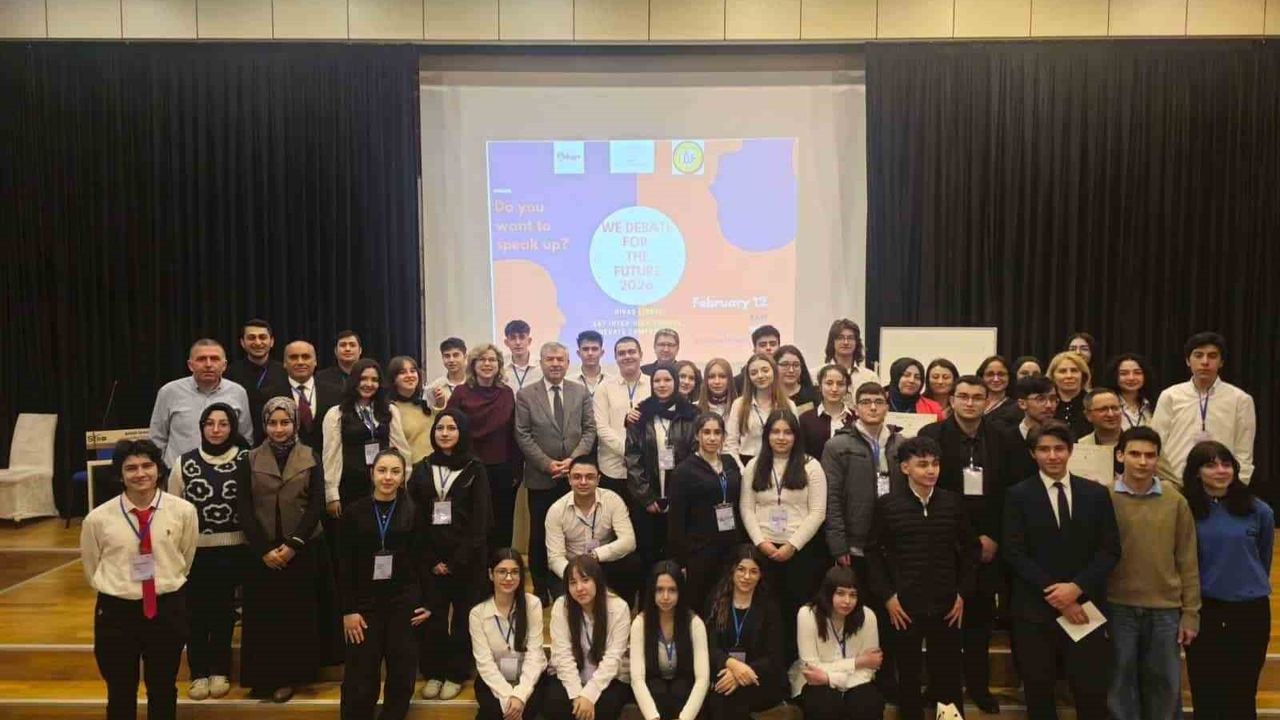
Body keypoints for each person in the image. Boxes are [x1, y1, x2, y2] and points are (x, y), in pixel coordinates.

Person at [1002, 421, 1119, 720]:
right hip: (1034, 611)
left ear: (1070, 451)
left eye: (1058, 448)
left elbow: (1110, 550)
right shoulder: (1017, 495)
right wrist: (1059, 596)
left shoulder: (1095, 494)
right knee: (1039, 695)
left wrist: (1075, 589)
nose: (1052, 456)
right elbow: (1014, 553)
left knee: (1091, 693)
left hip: (1085, 608)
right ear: (1033, 454)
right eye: (1044, 449)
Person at [80, 439, 198, 720]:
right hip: (117, 611)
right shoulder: (98, 519)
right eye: (131, 468)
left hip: (166, 608)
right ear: (120, 475)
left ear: (158, 469)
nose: (140, 473)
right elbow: (92, 567)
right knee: (120, 691)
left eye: (147, 465)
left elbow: (185, 556)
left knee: (163, 687)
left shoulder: (183, 511)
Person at [919, 375, 1010, 713]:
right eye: (963, 396)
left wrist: (993, 536)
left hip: (988, 544)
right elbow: (927, 487)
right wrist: (962, 538)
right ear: (952, 399)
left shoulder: (1003, 437)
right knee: (941, 624)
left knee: (979, 623)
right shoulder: (932, 435)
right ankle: (941, 689)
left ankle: (978, 686)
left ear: (987, 401)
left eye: (977, 397)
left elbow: (1010, 492)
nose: (970, 403)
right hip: (944, 541)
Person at [868, 435, 975, 719]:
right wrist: (888, 597)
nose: (931, 470)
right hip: (904, 606)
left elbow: (971, 550)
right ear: (905, 468)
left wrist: (962, 594)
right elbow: (872, 554)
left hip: (947, 604)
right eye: (923, 464)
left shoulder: (952, 503)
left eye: (935, 464)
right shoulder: (888, 505)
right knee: (909, 675)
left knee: (948, 675)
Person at [240, 397, 334, 702]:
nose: (279, 429)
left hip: (301, 548)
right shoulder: (250, 459)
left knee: (295, 617)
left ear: (295, 424)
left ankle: (290, 677)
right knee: (264, 618)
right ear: (264, 425)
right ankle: (264, 677)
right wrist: (263, 549)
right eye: (272, 423)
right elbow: (244, 507)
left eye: (285, 422)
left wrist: (293, 545)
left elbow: (316, 504)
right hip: (263, 551)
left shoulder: (310, 456)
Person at [1106, 426, 1200, 720]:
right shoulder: (1104, 497)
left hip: (1165, 609)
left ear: (1158, 459)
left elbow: (1187, 559)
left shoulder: (1175, 501)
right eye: (1135, 454)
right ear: (1120, 456)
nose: (1143, 461)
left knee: (1165, 687)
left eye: (1150, 455)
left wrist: (1191, 612)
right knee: (1120, 685)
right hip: (1117, 606)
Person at [1181, 441, 1273, 719]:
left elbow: (1263, 556)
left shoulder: (1258, 510)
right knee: (1206, 689)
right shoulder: (1185, 509)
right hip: (1204, 610)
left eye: (1226, 464)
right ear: (1196, 472)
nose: (1221, 471)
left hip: (1249, 611)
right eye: (1210, 465)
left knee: (1242, 691)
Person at [165, 404, 251, 701]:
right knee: (196, 615)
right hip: (195, 552)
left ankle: (220, 671)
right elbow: (172, 510)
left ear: (232, 427)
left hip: (235, 550)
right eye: (210, 423)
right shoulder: (184, 462)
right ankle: (198, 673)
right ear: (201, 427)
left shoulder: (246, 459)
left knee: (224, 614)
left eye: (223, 424)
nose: (216, 430)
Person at [338, 449, 431, 720]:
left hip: (403, 603)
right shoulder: (354, 513)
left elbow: (423, 560)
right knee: (360, 678)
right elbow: (344, 565)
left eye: (395, 471)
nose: (388, 477)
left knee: (402, 674)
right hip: (364, 606)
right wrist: (348, 610)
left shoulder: (414, 512)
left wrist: (427, 602)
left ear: (403, 477)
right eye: (382, 471)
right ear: (372, 474)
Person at [409, 410, 492, 700]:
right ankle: (433, 672)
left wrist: (455, 561)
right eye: (440, 428)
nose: (444, 433)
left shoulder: (475, 468)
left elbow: (481, 520)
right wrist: (432, 560)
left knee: (463, 619)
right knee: (432, 617)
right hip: (429, 558)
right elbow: (414, 517)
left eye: (452, 428)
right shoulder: (422, 468)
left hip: (467, 558)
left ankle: (456, 673)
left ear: (462, 432)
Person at [740, 410, 827, 663]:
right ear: (766, 435)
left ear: (796, 436)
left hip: (800, 551)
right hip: (763, 550)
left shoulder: (811, 466)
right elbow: (746, 508)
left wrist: (792, 544)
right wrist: (761, 543)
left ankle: (795, 664)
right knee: (765, 611)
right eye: (775, 432)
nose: (781, 437)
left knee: (796, 610)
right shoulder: (754, 465)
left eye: (787, 432)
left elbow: (818, 512)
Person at [515, 341, 597, 599]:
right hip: (542, 477)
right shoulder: (526, 395)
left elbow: (589, 430)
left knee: (571, 533)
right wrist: (547, 463)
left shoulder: (580, 391)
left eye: (560, 359)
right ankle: (540, 589)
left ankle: (566, 584)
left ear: (568, 363)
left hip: (575, 477)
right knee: (539, 534)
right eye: (550, 359)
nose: (555, 364)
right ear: (540, 363)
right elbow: (523, 434)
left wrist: (573, 461)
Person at [823, 381, 907, 582]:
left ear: (887, 407)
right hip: (855, 542)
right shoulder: (837, 445)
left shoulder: (901, 444)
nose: (873, 407)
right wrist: (838, 544)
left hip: (894, 540)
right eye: (866, 402)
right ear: (855, 408)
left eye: (879, 402)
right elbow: (832, 498)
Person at [1150, 331, 1256, 485]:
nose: (1205, 362)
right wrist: (1163, 481)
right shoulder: (1170, 396)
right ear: (1188, 361)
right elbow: (1156, 443)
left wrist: (1238, 486)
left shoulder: (1240, 399)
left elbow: (1244, 452)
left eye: (1212, 356)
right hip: (1175, 482)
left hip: (1221, 483)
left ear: (1221, 362)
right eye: (1198, 355)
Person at [667, 412, 747, 614]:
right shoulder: (684, 471)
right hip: (700, 551)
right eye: (707, 432)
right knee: (700, 604)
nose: (712, 438)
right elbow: (676, 520)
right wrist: (681, 560)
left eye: (717, 433)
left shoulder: (730, 463)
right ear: (697, 435)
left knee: (726, 603)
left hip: (730, 546)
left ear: (724, 436)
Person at [447, 343, 520, 548]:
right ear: (473, 364)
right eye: (482, 360)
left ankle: (501, 564)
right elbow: (448, 429)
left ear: (499, 365)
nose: (487, 364)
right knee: (472, 521)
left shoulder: (507, 393)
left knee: (502, 521)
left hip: (502, 469)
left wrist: (517, 469)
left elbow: (513, 432)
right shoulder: (461, 393)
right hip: (469, 468)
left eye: (492, 360)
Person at [626, 364, 698, 570]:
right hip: (648, 501)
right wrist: (646, 497)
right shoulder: (640, 414)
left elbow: (696, 457)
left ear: (675, 382)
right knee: (648, 555)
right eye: (657, 380)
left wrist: (681, 497)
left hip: (681, 501)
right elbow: (632, 458)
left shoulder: (692, 414)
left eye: (667, 380)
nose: (662, 384)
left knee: (678, 554)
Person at [545, 556, 634, 720]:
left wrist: (589, 695)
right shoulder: (561, 606)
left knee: (606, 706)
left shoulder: (619, 607)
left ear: (597, 580)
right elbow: (563, 655)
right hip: (572, 676)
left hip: (608, 678)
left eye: (585, 580)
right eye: (573, 583)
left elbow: (613, 657)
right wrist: (577, 696)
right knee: (556, 702)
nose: (579, 588)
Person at [704, 545, 787, 720]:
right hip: (723, 673)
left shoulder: (769, 607)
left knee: (734, 697)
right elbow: (709, 648)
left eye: (753, 571)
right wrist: (733, 665)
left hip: (758, 678)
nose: (746, 576)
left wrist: (743, 673)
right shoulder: (716, 601)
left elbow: (774, 656)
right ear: (732, 571)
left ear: (760, 575)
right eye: (741, 569)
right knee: (721, 696)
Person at [790, 565, 884, 720]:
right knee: (824, 704)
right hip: (815, 684)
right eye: (840, 593)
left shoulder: (868, 616)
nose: (847, 601)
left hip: (857, 681)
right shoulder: (807, 615)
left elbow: (869, 669)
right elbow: (810, 669)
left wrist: (829, 678)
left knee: (868, 703)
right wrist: (858, 662)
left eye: (853, 595)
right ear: (828, 593)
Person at [545, 456, 641, 604]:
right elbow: (555, 558)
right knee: (562, 597)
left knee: (633, 562)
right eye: (577, 477)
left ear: (598, 479)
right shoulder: (556, 510)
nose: (583, 482)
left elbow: (629, 541)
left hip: (603, 562)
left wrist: (596, 555)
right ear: (569, 479)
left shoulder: (613, 500)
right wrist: (576, 576)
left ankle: (623, 610)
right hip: (571, 566)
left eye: (589, 477)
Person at [322, 358, 412, 514]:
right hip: (350, 486)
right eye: (363, 379)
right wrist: (332, 494)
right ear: (354, 381)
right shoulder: (336, 414)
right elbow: (331, 456)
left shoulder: (390, 410)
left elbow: (401, 449)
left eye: (374, 380)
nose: (369, 384)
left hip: (384, 484)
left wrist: (403, 479)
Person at [469, 549, 550, 720]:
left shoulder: (532, 604)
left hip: (529, 679)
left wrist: (520, 695)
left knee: (528, 711)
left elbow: (535, 656)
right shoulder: (478, 613)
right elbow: (485, 664)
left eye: (514, 572)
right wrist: (508, 699)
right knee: (493, 713)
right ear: (491, 574)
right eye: (502, 572)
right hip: (495, 680)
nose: (508, 578)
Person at [149, 338, 254, 467]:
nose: (208, 364)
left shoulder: (238, 392)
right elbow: (157, 438)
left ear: (224, 365)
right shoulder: (169, 392)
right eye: (201, 359)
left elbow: (245, 438)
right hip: (177, 472)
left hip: (225, 471)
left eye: (214, 359)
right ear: (190, 365)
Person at [629, 561, 711, 720]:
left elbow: (702, 679)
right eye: (659, 590)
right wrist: (653, 717)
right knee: (657, 690)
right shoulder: (640, 623)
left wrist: (684, 718)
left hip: (684, 687)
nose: (665, 597)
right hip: (654, 686)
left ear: (681, 592)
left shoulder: (695, 623)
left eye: (672, 590)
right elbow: (637, 678)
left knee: (681, 689)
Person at [594, 336, 652, 498]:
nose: (627, 356)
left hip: (646, 469)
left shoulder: (653, 385)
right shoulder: (604, 388)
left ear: (641, 355)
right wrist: (629, 452)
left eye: (632, 352)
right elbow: (601, 427)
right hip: (613, 469)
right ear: (616, 358)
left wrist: (641, 454)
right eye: (621, 353)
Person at [225, 319, 290, 443]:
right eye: (251, 338)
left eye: (262, 337)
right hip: (239, 442)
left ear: (272, 342)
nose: (258, 342)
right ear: (242, 343)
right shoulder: (229, 373)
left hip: (278, 440)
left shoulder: (285, 372)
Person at [724, 354, 795, 463]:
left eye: (765, 370)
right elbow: (731, 444)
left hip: (779, 463)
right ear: (749, 377)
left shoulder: (789, 405)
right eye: (754, 373)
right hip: (745, 462)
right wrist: (741, 469)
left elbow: (795, 441)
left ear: (774, 372)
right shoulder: (739, 404)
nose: (760, 376)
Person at [280, 340, 342, 460]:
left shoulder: (336, 393)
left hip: (327, 463)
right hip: (286, 464)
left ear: (315, 362)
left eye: (306, 357)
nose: (300, 362)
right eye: (293, 357)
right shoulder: (270, 395)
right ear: (284, 363)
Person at [998, 375, 1060, 486]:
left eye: (1053, 399)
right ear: (1022, 403)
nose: (1049, 405)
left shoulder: (1062, 437)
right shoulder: (1003, 440)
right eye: (1040, 399)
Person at [798, 364, 853, 462]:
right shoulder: (805, 420)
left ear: (847, 388)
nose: (834, 389)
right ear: (820, 386)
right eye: (829, 383)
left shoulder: (855, 419)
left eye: (840, 384)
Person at [387, 355, 433, 463]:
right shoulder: (391, 409)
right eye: (402, 372)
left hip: (435, 467)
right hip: (412, 468)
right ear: (393, 379)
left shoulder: (426, 403)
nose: (409, 375)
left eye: (413, 371)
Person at [822, 319, 880, 392]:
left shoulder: (870, 377)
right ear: (832, 342)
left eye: (850, 338)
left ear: (857, 342)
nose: (846, 342)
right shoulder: (816, 375)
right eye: (840, 338)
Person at [1047, 351, 1093, 439]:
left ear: (1083, 375)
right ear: (1053, 376)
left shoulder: (1093, 402)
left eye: (1074, 371)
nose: (1069, 376)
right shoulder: (1045, 404)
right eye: (1062, 371)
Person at [1104, 352, 1155, 430]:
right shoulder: (1106, 403)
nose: (1131, 378)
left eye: (1137, 373)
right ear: (1114, 376)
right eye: (1124, 373)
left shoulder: (1152, 404)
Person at [733, 325, 783, 395]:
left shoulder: (787, 374)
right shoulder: (740, 381)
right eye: (763, 345)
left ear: (779, 347)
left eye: (773, 344)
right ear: (754, 349)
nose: (768, 348)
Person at [1077, 387, 1123, 459]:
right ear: (1088, 415)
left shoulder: (1135, 442)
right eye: (1103, 409)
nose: (1111, 414)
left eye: (1115, 408)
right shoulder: (1080, 447)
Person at [978, 354, 1023, 427]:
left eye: (1001, 374)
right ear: (982, 377)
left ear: (1009, 377)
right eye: (990, 374)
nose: (996, 379)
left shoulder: (1018, 408)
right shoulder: (973, 403)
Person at [425, 337, 468, 411]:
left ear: (465, 357)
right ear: (442, 358)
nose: (451, 360)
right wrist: (440, 405)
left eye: (456, 355)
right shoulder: (434, 387)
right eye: (447, 356)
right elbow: (430, 416)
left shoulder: (475, 384)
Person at [775, 345, 820, 414]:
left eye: (796, 365)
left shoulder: (815, 394)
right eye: (785, 364)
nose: (791, 370)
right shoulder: (769, 397)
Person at [503, 319, 543, 392]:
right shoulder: (501, 366)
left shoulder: (541, 366)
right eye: (513, 338)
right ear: (506, 342)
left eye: (522, 337)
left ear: (529, 341)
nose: (518, 342)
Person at [575, 330, 608, 399]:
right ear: (578, 353)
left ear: (602, 353)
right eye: (585, 349)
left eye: (594, 349)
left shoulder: (611, 381)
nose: (590, 353)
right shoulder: (569, 381)